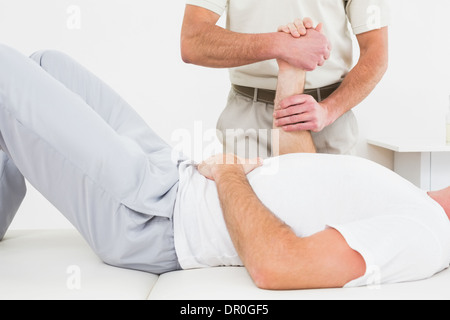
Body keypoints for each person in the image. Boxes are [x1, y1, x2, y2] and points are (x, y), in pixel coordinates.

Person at [0, 43, 449, 290]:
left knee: (7, 70)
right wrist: (290, 71)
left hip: (154, 217)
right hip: (171, 174)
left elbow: (278, 265)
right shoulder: (413, 200)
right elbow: (306, 183)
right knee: (45, 63)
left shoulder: (428, 233)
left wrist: (231, 173)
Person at [181, 0, 389, 157]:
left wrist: (328, 110)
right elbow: (192, 41)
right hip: (248, 119)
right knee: (248, 212)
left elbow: (376, 53)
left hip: (326, 117)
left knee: (329, 211)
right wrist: (280, 45)